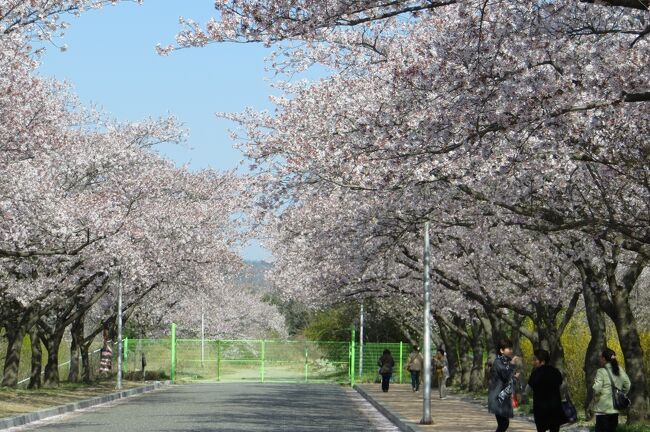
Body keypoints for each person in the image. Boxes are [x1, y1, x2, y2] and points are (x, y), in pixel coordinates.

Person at [592, 348, 631, 432]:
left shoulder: (601, 371)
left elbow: (596, 389)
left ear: (604, 358)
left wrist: (596, 396)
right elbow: (627, 384)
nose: (600, 359)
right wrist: (620, 393)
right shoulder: (619, 370)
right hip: (615, 410)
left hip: (603, 410)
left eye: (600, 357)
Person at [527, 349, 565, 432]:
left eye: (535, 359)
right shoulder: (556, 372)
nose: (533, 362)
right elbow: (562, 388)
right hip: (555, 408)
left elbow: (527, 390)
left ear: (542, 361)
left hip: (540, 410)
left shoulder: (535, 373)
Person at [488, 338, 520, 432]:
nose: (511, 351)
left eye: (511, 348)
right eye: (509, 349)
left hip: (503, 397)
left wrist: (514, 378)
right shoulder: (498, 362)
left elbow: (507, 379)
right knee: (503, 424)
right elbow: (506, 377)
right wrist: (513, 364)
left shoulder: (505, 362)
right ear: (501, 350)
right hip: (498, 398)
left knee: (504, 424)